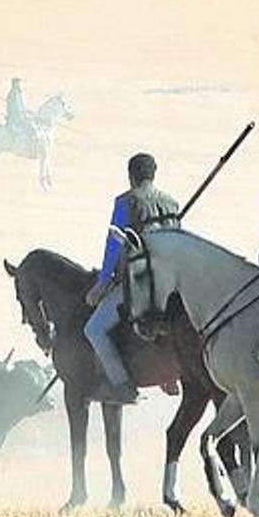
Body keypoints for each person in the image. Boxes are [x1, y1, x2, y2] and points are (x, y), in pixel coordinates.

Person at [83, 153, 181, 404]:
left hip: (138, 284)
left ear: (130, 176)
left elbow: (114, 247)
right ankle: (169, 374)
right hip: (171, 284)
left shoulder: (126, 202)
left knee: (94, 330)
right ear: (154, 174)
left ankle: (122, 385)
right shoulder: (172, 203)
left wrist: (102, 284)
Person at [4, 78, 36, 151]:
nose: (19, 85)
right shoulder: (13, 94)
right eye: (18, 83)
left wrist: (27, 111)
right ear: (14, 84)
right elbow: (15, 107)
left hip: (20, 114)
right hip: (15, 116)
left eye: (19, 83)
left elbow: (21, 105)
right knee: (30, 126)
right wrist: (23, 113)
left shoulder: (18, 93)